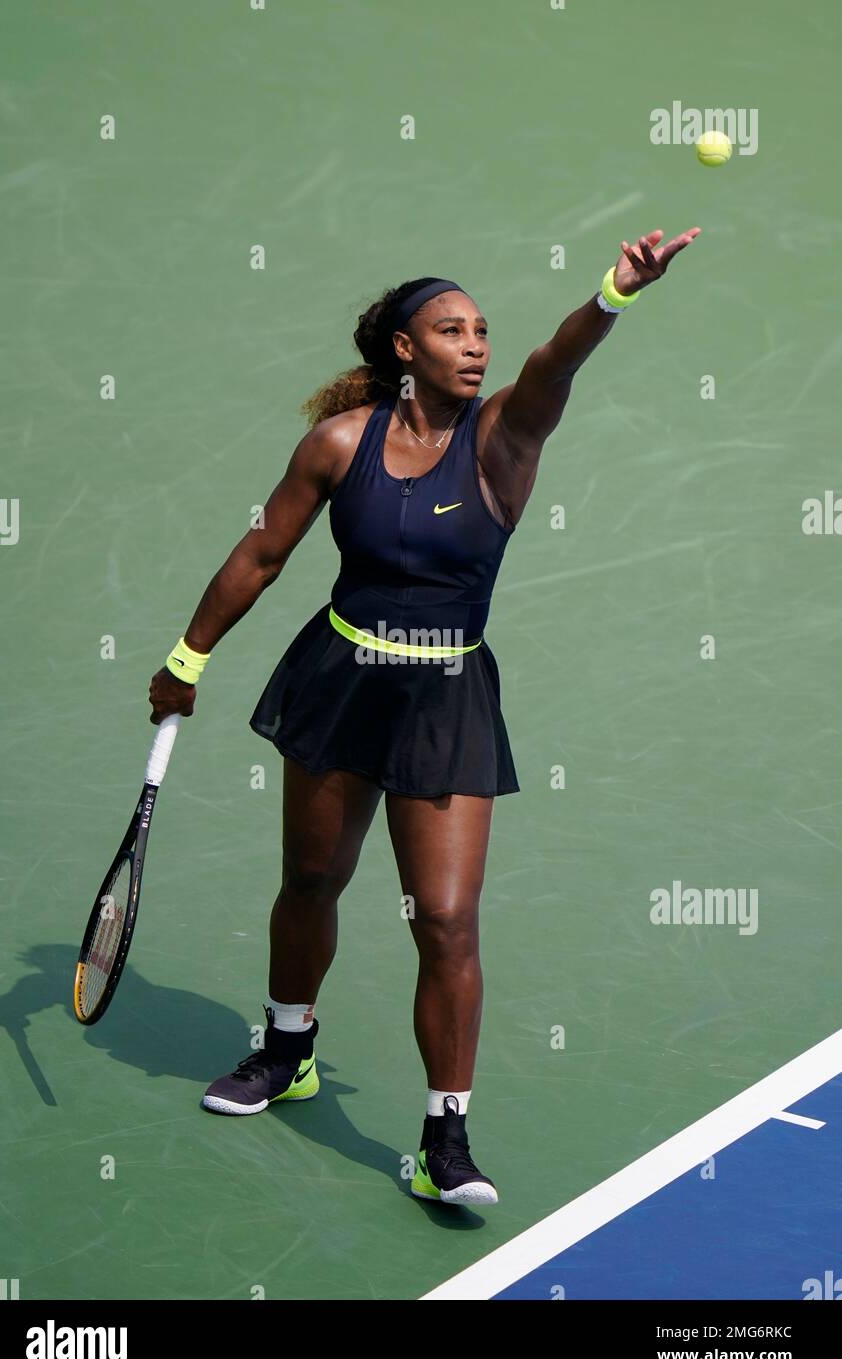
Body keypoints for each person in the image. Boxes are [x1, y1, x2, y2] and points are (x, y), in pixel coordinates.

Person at [148, 227, 701, 1206]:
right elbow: (261, 552)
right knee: (311, 877)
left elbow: (551, 362)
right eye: (450, 330)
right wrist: (187, 657)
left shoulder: (504, 437)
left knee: (444, 918)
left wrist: (613, 294)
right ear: (404, 348)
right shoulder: (337, 442)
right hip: (339, 679)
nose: (474, 344)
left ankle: (443, 1136)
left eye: (480, 329)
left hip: (445, 699)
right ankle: (286, 1049)